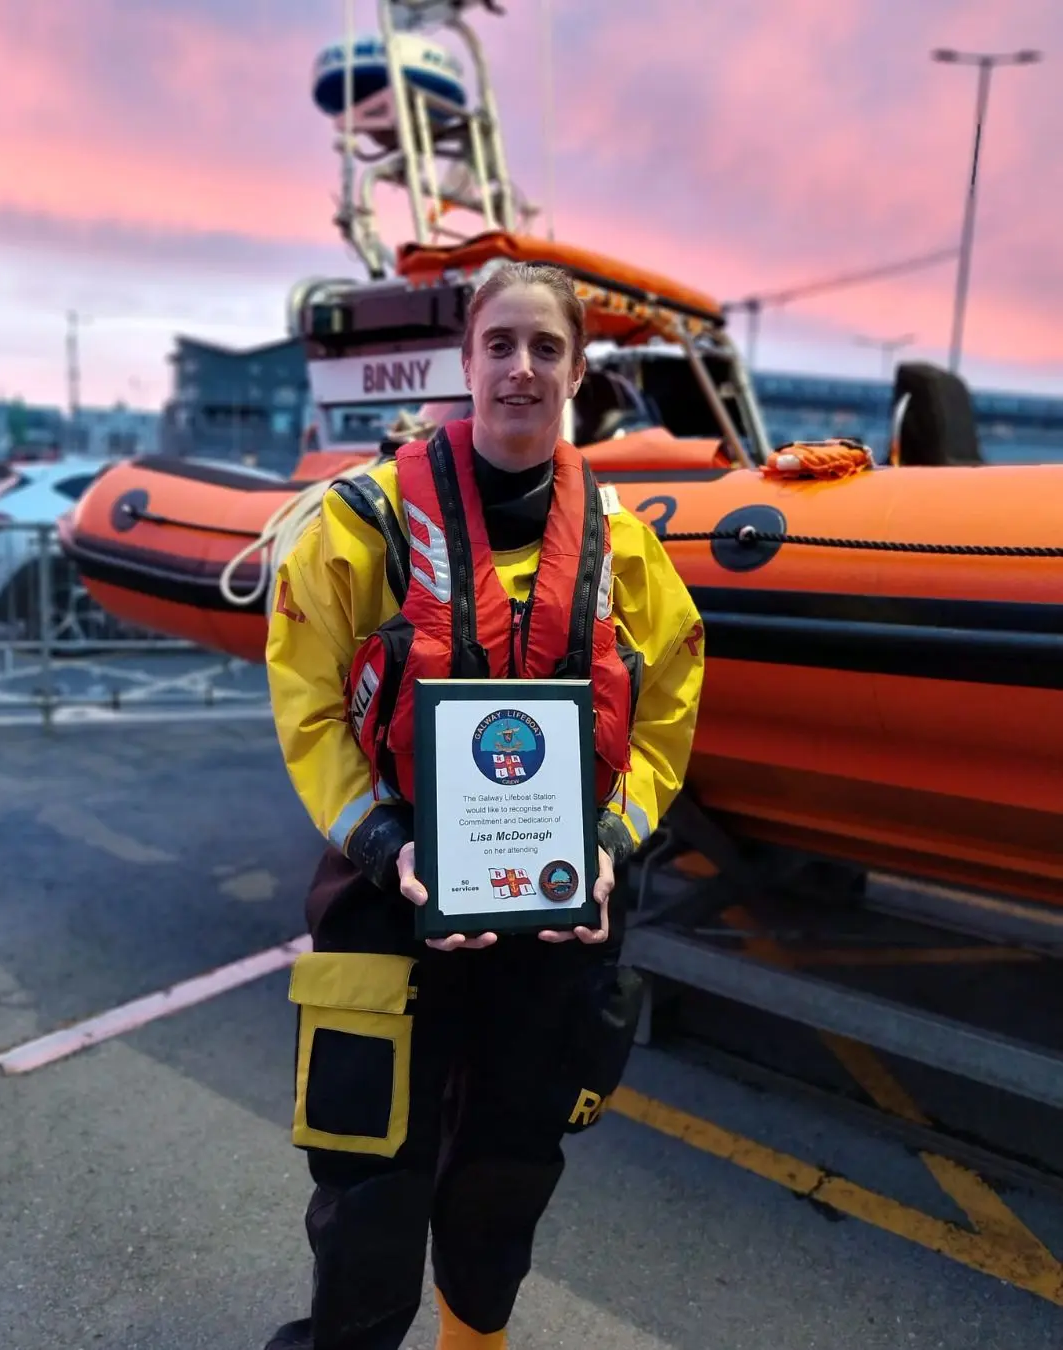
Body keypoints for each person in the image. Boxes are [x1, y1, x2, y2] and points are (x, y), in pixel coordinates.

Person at [263, 260, 705, 1350]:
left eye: (545, 348)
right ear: (466, 363)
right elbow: (310, 706)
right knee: (369, 1191)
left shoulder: (629, 549)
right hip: (391, 896)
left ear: (578, 372)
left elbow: (666, 714)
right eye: (499, 345)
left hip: (554, 909)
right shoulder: (354, 528)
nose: (521, 368)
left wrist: (610, 837)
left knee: (509, 1167)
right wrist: (375, 838)